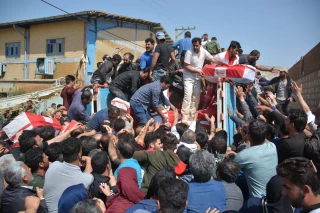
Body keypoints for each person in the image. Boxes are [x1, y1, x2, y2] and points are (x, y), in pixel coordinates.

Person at [227, 120, 278, 198]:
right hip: (274, 196)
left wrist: (226, 157)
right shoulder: (272, 146)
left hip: (258, 203)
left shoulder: (244, 155)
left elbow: (228, 170)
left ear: (249, 136)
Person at [44, 138, 93, 213]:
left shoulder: (53, 166)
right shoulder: (87, 179)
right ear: (79, 154)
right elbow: (87, 176)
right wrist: (89, 159)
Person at [181, 37, 224, 122]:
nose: (195, 47)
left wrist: (222, 63)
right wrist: (197, 70)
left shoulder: (204, 51)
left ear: (200, 44)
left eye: (197, 45)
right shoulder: (189, 53)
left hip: (197, 78)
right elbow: (186, 66)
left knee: (196, 97)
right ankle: (184, 118)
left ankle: (192, 116)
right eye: (194, 46)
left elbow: (212, 58)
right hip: (188, 78)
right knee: (187, 96)